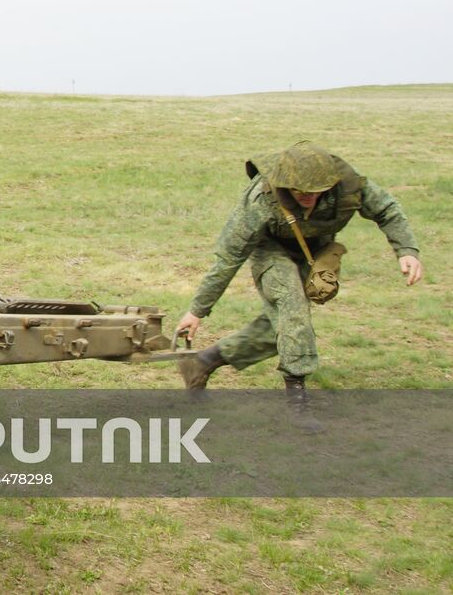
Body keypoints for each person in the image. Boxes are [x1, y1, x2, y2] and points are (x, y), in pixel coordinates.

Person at [175, 141, 422, 415]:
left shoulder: (350, 186)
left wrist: (406, 250)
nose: (306, 196)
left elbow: (387, 210)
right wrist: (197, 311)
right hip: (268, 249)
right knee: (290, 302)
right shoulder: (261, 199)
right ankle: (297, 402)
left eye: (314, 191)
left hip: (313, 248)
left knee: (287, 326)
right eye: (298, 190)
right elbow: (229, 259)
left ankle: (205, 361)